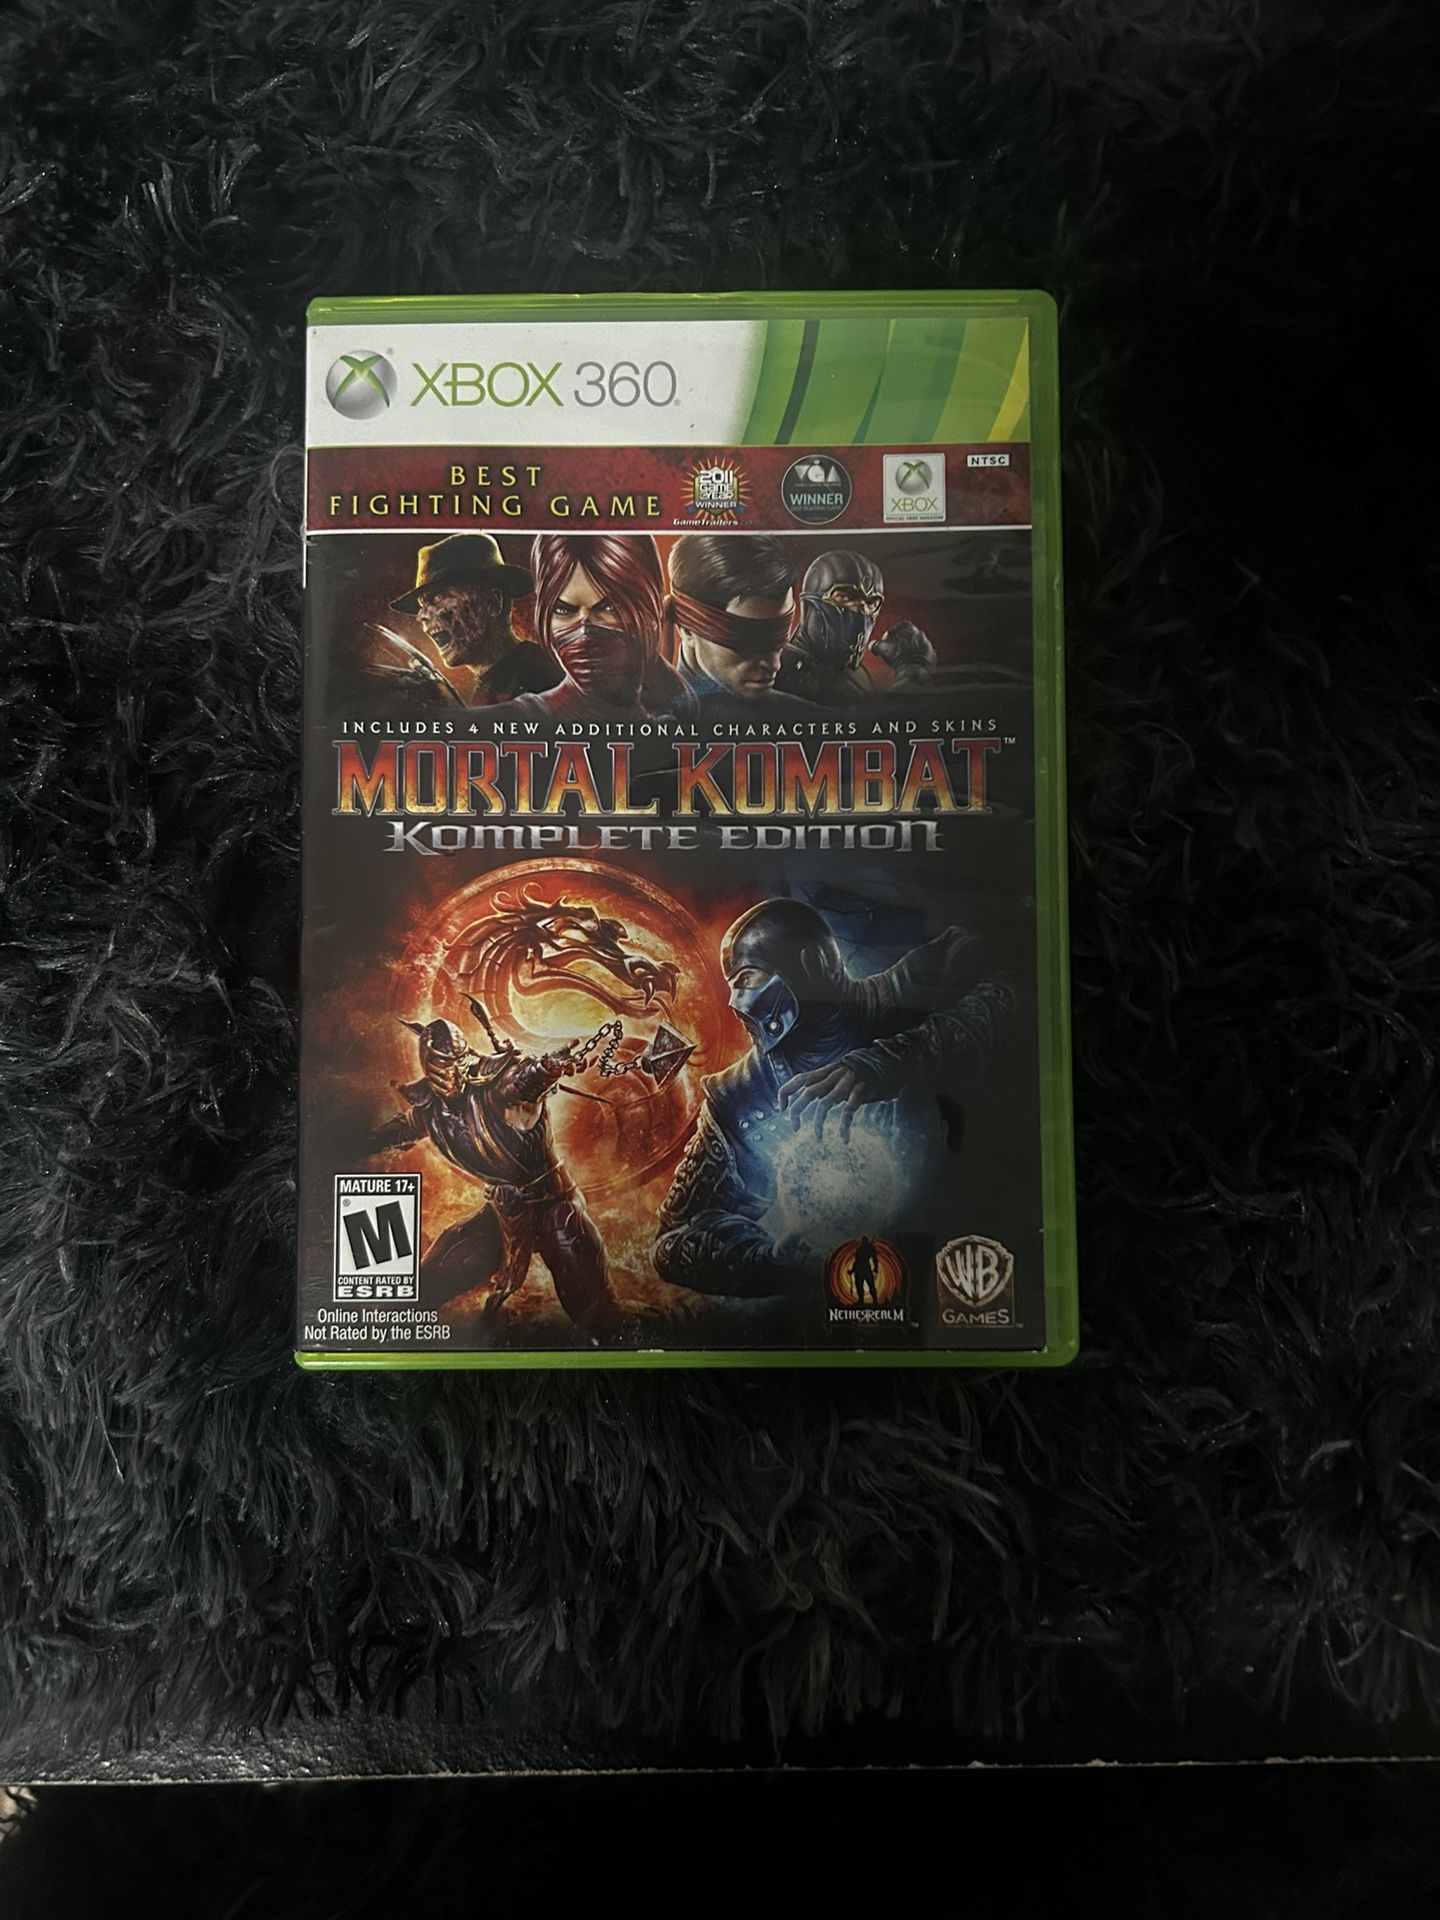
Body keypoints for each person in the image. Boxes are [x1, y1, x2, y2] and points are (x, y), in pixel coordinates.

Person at [652, 900, 1010, 1299]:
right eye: (733, 984)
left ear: (812, 964)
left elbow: (1013, 978)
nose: (736, 1003)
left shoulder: (910, 992)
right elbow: (672, 1241)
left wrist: (895, 1060)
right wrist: (768, 1261)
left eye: (748, 977)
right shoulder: (743, 1095)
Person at [370, 1010, 629, 1342]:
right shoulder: (430, 1112)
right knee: (425, 1284)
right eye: (442, 1064)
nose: (453, 1073)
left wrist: (546, 1069)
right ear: (428, 1067)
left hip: (555, 1208)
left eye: (458, 1061)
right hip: (504, 1216)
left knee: (601, 1317)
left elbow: (520, 1083)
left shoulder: (493, 1088)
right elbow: (397, 1130)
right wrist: (351, 1143)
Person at [492, 533, 687, 721]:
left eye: (609, 608)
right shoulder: (517, 718)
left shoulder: (680, 704)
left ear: (650, 607)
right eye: (564, 610)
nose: (584, 630)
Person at [373, 533, 561, 707]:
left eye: (437, 598)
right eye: (422, 605)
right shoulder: (497, 682)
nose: (421, 616)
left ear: (492, 602)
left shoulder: (543, 677)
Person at [663, 533, 810, 714]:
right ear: (687, 629)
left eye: (778, 640)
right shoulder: (649, 716)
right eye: (748, 643)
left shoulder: (810, 716)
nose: (774, 665)